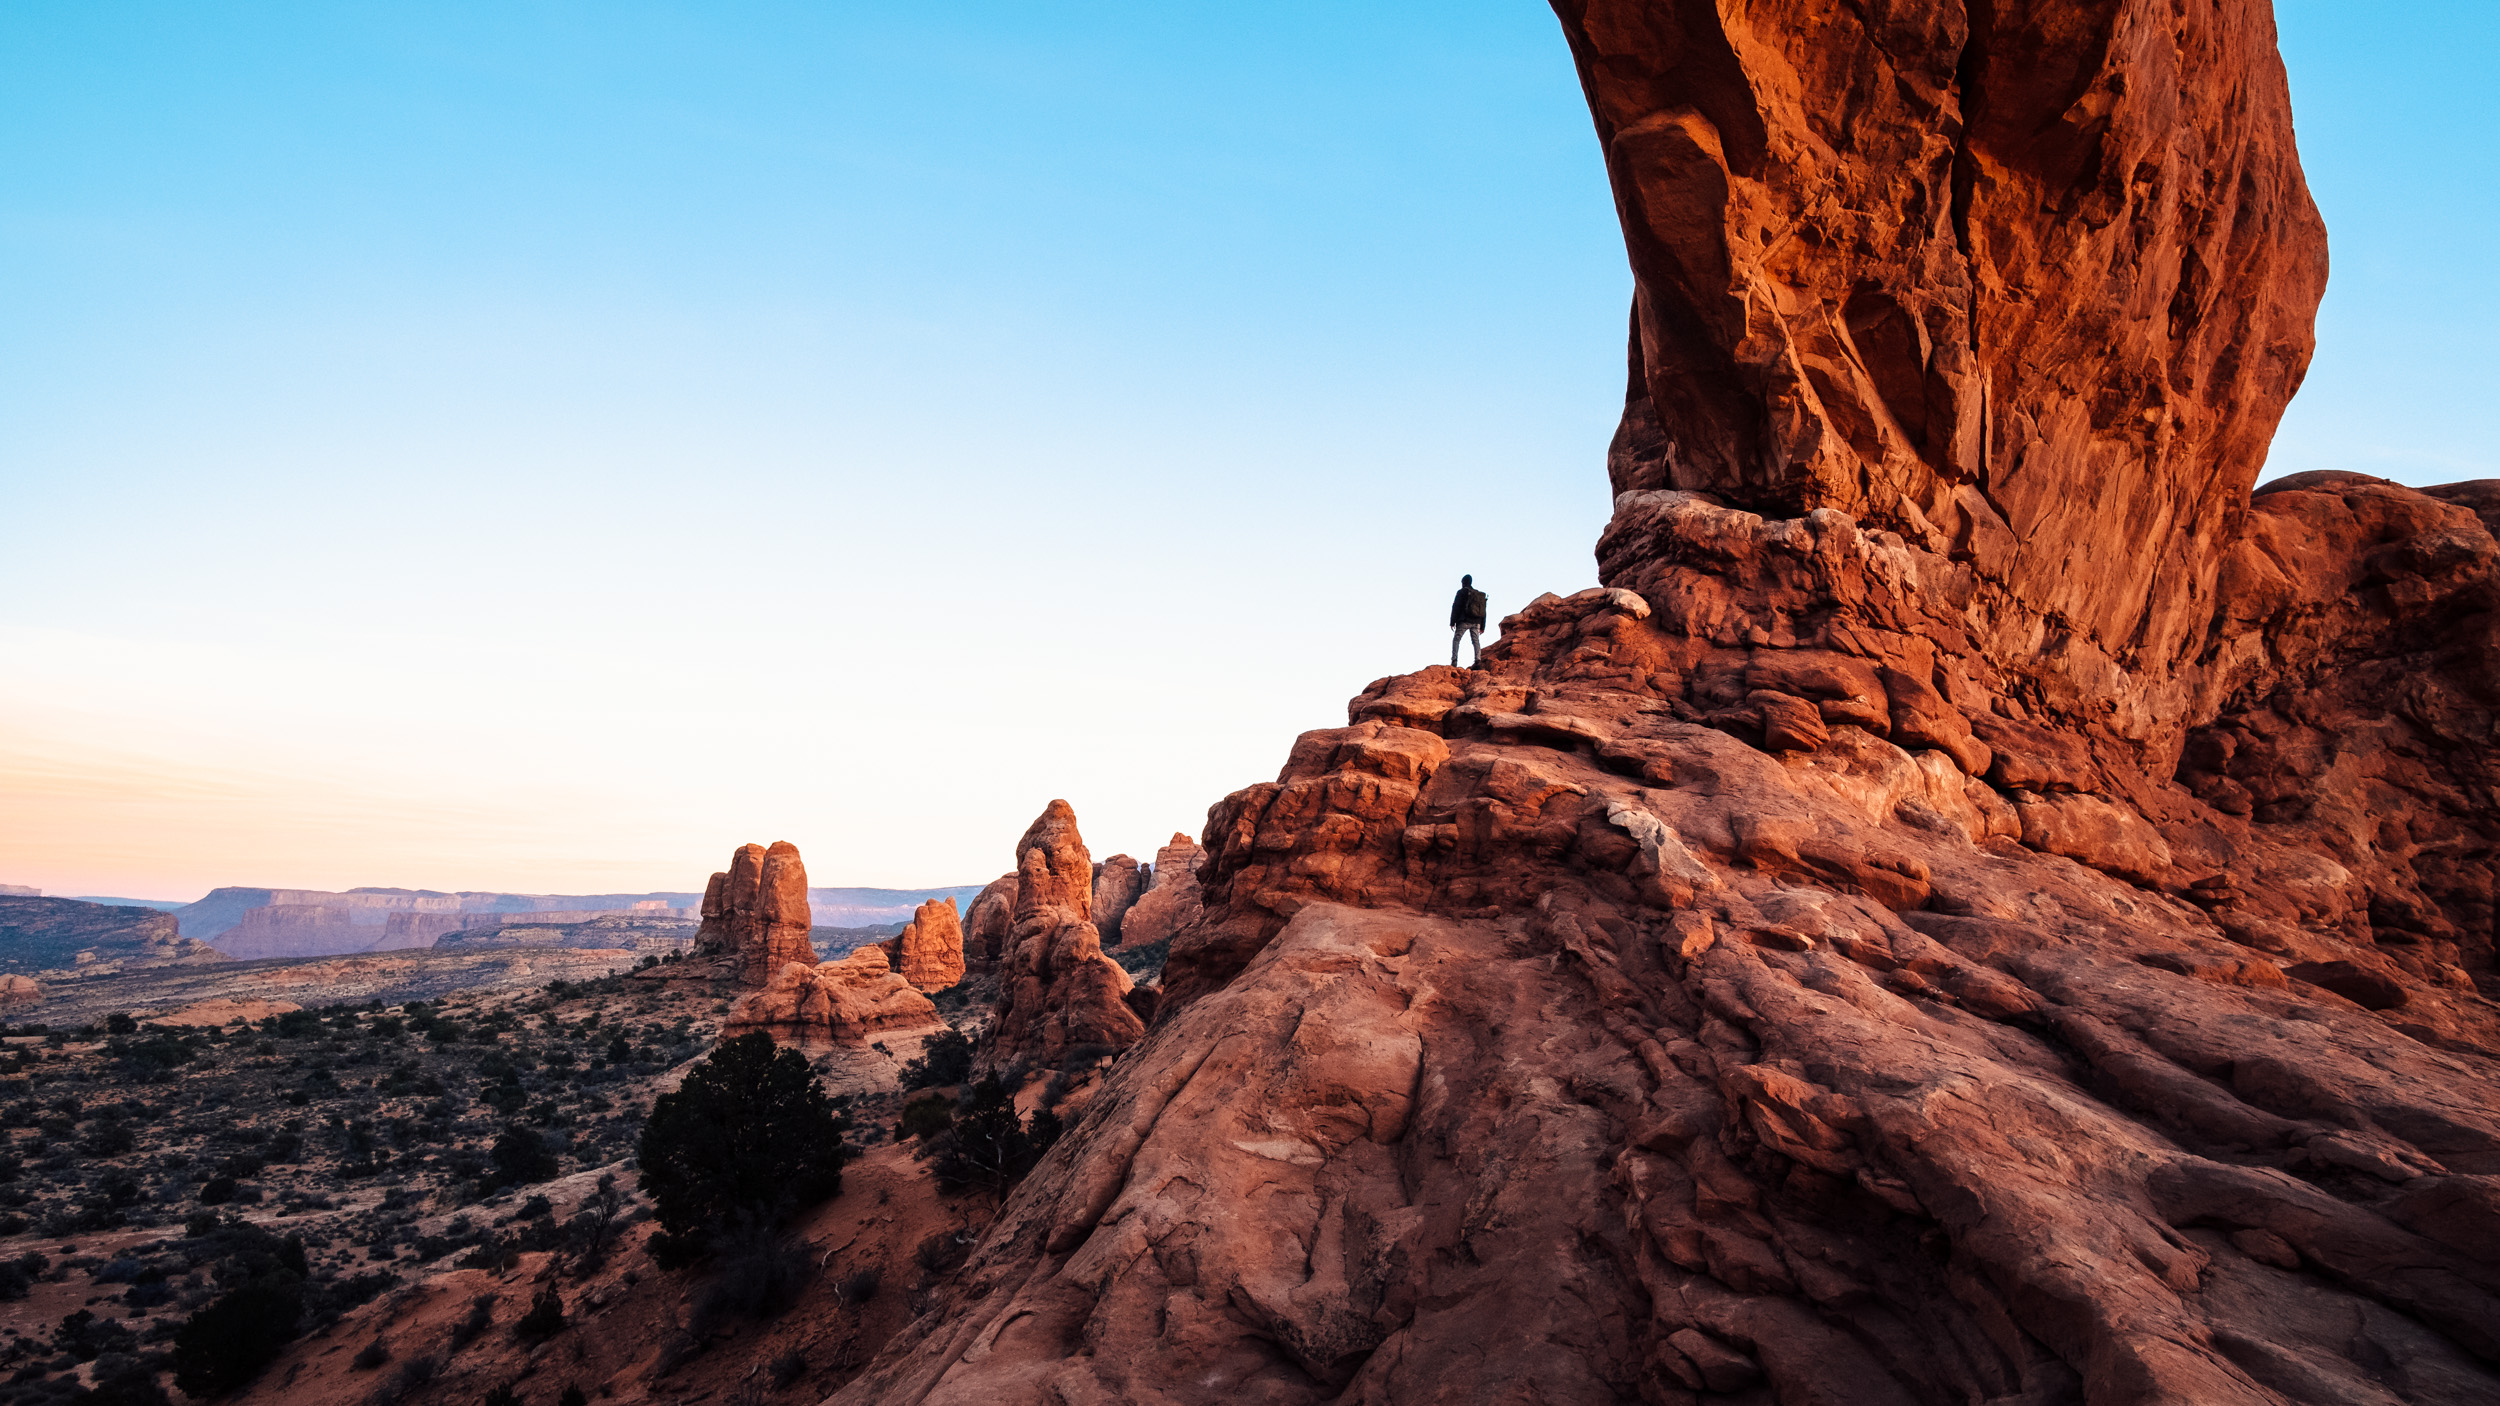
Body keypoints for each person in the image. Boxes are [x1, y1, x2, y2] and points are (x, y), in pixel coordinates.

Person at [1449, 574, 1487, 666]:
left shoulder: (1461, 592)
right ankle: (1478, 660)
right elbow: (1483, 610)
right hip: (1477, 622)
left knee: (1457, 639)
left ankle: (1454, 661)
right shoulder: (1478, 594)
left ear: (1463, 583)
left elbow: (1456, 607)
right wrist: (1482, 626)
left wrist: (1452, 622)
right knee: (1475, 641)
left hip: (1464, 620)